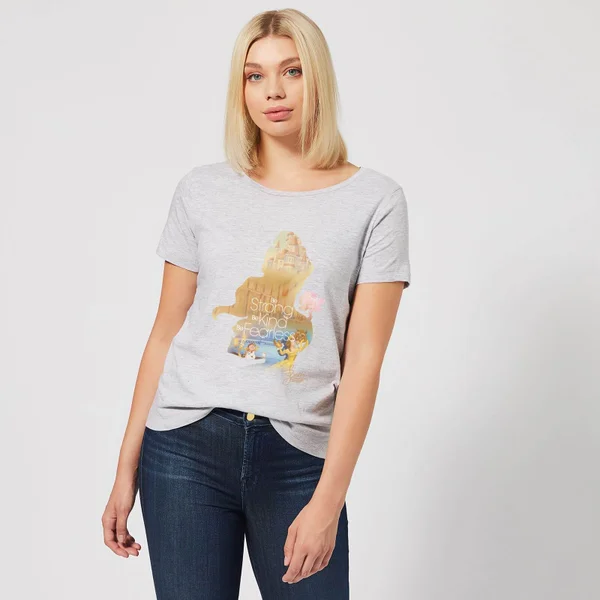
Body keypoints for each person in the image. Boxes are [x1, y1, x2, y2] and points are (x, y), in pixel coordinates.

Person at [101, 8, 412, 599]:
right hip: (184, 446)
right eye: (255, 75)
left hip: (298, 454)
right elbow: (165, 331)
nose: (273, 91)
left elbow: (364, 363)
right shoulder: (201, 190)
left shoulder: (375, 201)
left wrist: (328, 500)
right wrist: (125, 469)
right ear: (240, 88)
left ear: (317, 78)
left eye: (292, 71)